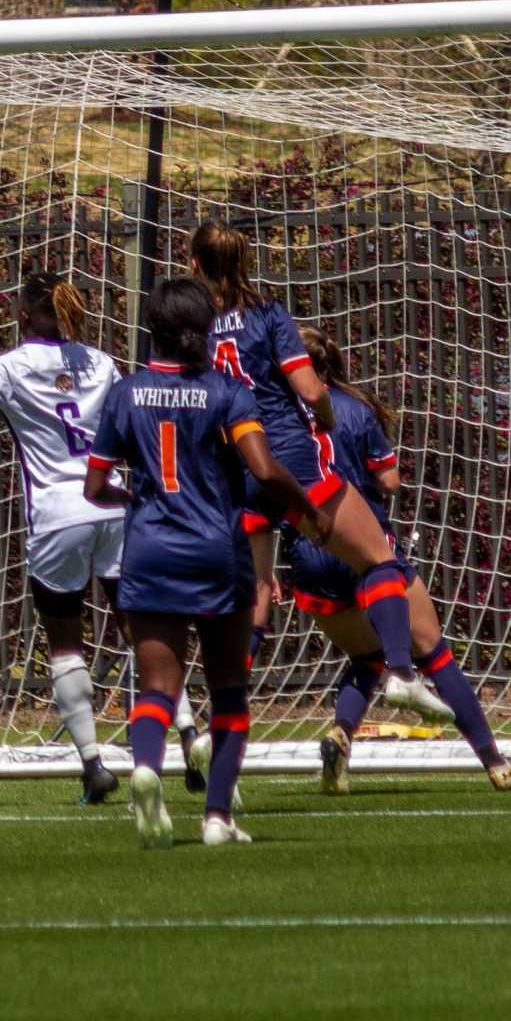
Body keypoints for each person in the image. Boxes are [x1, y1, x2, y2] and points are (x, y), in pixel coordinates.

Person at [84, 278, 315, 850]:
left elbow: (95, 485)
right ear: (204, 331)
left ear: (153, 331)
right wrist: (307, 506)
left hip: (150, 549)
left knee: (159, 685)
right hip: (215, 550)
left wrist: (132, 499)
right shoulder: (226, 392)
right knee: (230, 690)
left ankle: (144, 766)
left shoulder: (126, 393)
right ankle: (217, 817)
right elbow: (263, 470)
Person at [188, 221, 450, 726]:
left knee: (259, 595)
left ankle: (220, 715)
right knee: (379, 558)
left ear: (194, 264)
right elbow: (309, 389)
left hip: (234, 471)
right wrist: (325, 418)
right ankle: (401, 673)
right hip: (289, 463)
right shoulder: (267, 314)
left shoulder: (193, 326)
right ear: (244, 260)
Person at [291, 328, 511, 795]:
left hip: (307, 555)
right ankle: (495, 762)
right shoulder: (354, 411)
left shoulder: (275, 420)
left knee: (365, 655)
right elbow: (389, 480)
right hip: (360, 541)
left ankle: (340, 734)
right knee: (435, 652)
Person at [0, 269, 130, 805]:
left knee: (66, 643)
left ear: (22, 315)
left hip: (57, 516)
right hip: (115, 506)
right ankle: (188, 738)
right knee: (143, 630)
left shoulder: (11, 365)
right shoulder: (101, 362)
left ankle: (93, 764)